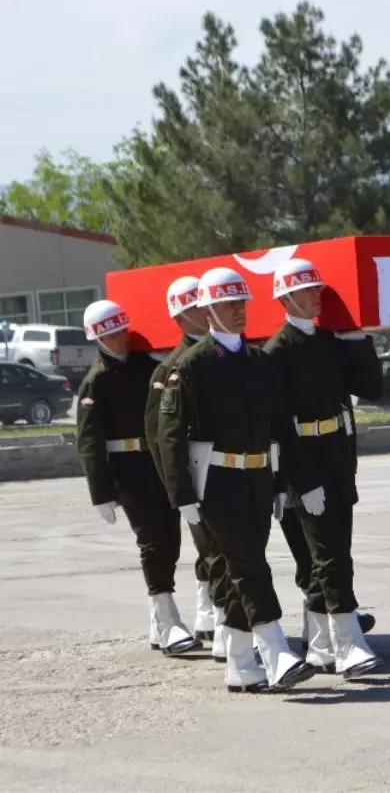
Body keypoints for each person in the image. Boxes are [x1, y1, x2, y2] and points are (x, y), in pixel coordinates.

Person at [158, 267, 314, 693]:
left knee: (240, 570)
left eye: (241, 303)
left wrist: (282, 484)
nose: (238, 311)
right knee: (249, 564)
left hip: (258, 478)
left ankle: (242, 665)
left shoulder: (260, 361)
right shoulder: (191, 366)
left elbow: (279, 426)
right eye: (228, 304)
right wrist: (182, 494)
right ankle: (276, 650)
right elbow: (169, 433)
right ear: (208, 310)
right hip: (216, 482)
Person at [263, 259, 383, 679]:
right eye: (307, 290)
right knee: (329, 556)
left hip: (335, 456)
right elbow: (278, 423)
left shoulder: (330, 342)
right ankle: (348, 643)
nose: (317, 295)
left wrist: (359, 341)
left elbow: (371, 388)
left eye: (317, 288)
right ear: (285, 297)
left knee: (329, 556)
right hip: (304, 463)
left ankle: (318, 648)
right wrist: (302, 480)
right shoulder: (276, 351)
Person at [77, 299, 201, 657]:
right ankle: (167, 617)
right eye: (111, 333)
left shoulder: (147, 366)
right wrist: (100, 493)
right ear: (97, 338)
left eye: (121, 329)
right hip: (126, 469)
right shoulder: (96, 381)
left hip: (156, 462)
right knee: (152, 541)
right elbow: (89, 441)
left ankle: (159, 621)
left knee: (171, 540)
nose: (119, 337)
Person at [144, 276, 223, 654]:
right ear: (179, 318)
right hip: (196, 472)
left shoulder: (220, 355)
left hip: (226, 468)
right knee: (214, 548)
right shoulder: (172, 368)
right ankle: (226, 628)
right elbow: (160, 435)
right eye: (195, 308)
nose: (204, 313)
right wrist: (177, 491)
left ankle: (209, 617)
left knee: (221, 548)